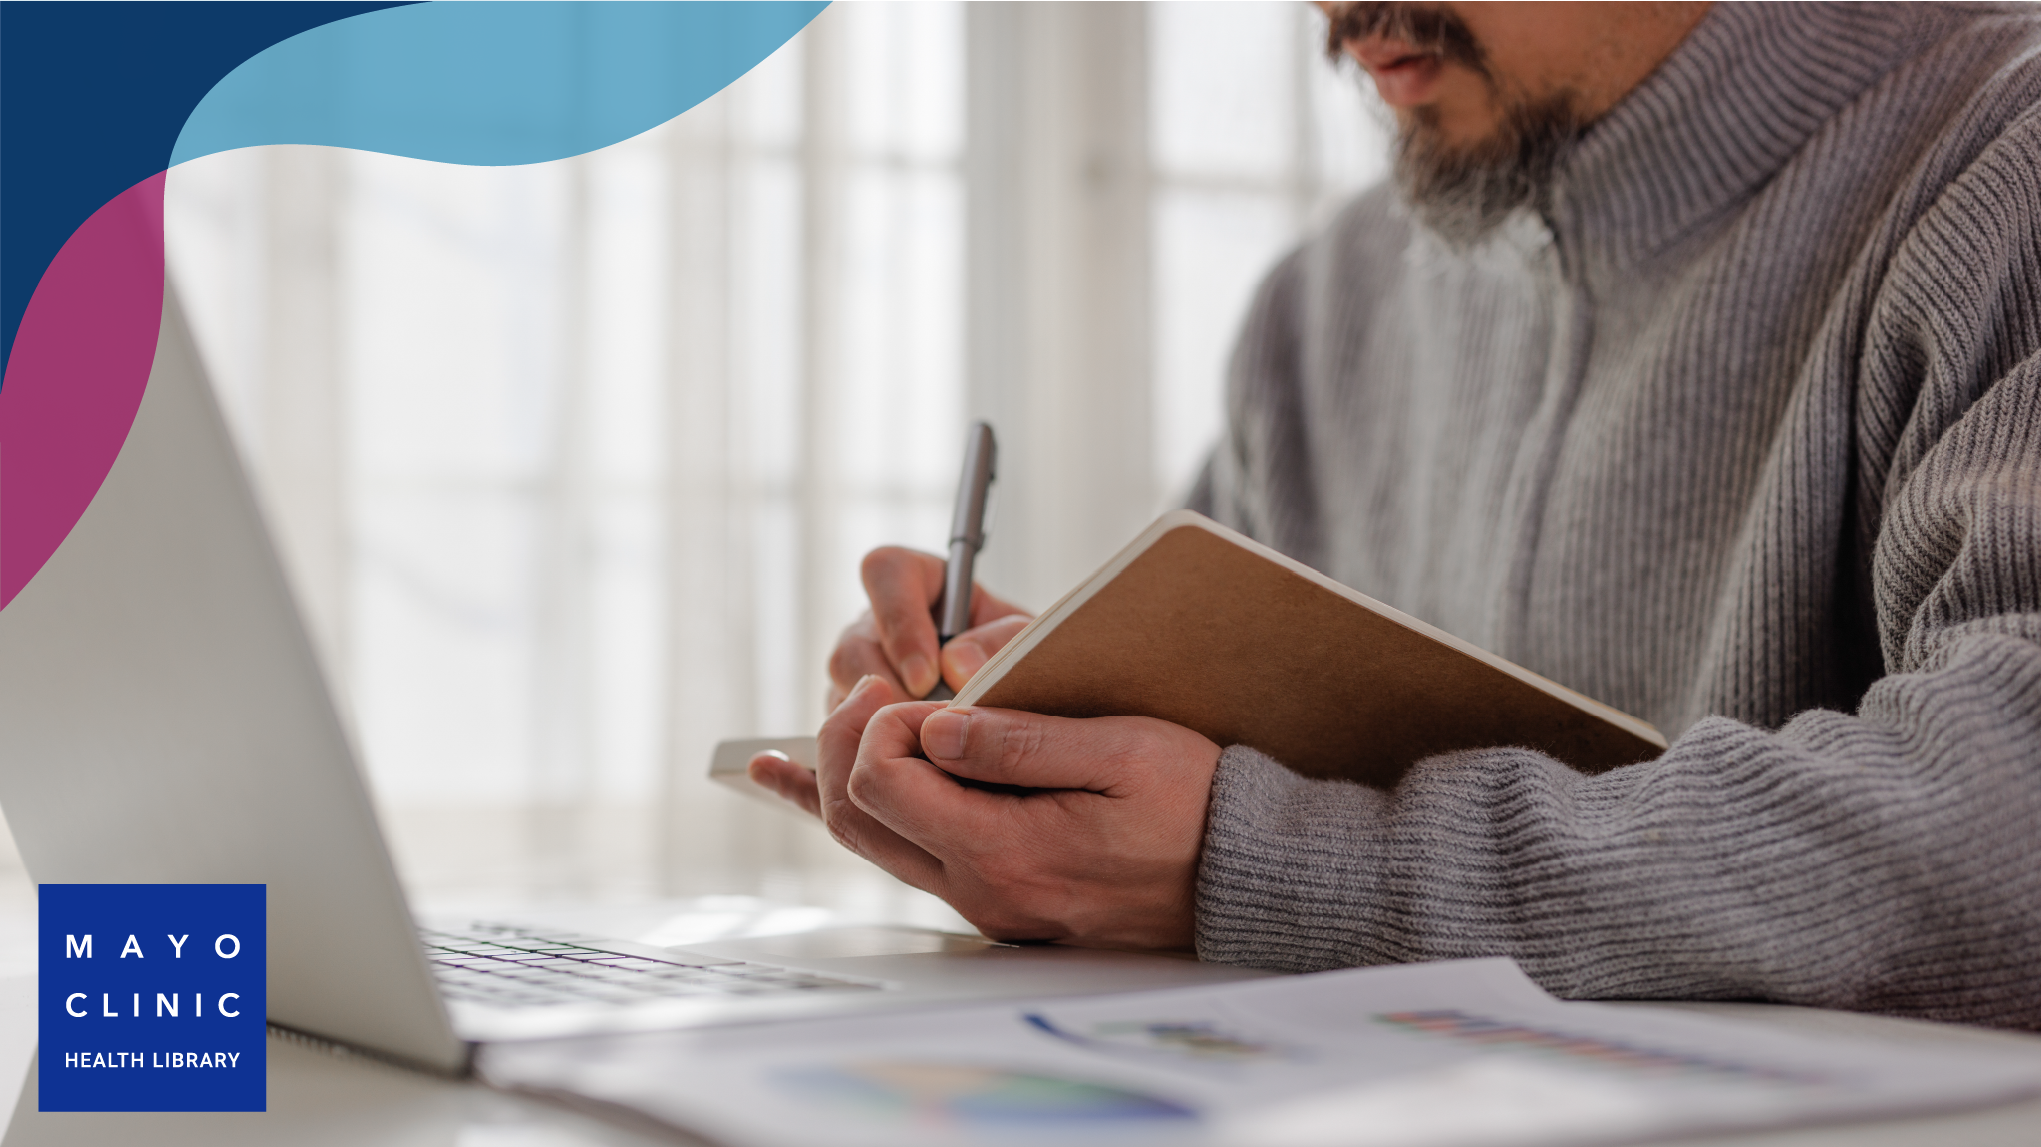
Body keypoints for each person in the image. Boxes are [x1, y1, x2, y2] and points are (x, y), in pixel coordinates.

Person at [750, 1, 2041, 1029]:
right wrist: (1026, 726)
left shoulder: (2001, 164)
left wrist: (1270, 866)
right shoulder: (1322, 313)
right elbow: (1209, 773)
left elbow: (2012, 813)